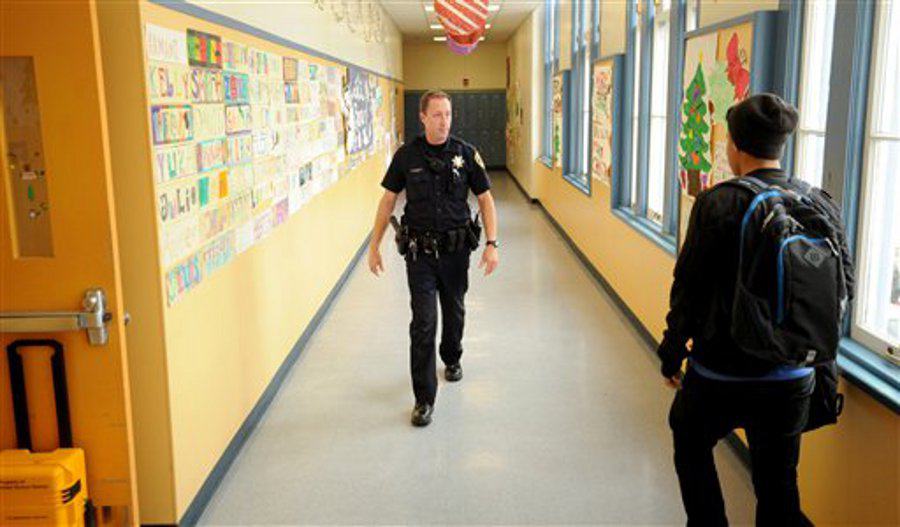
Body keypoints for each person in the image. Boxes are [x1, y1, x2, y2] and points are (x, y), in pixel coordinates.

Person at [658, 93, 853, 526]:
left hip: (720, 373)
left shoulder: (719, 202)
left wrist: (671, 353)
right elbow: (845, 286)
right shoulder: (820, 202)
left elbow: (688, 289)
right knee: (778, 481)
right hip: (793, 378)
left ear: (734, 145)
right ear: (780, 143)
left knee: (690, 442)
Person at [368, 90, 499, 427]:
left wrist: (492, 243)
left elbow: (486, 200)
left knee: (454, 312)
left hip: (456, 254)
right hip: (420, 256)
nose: (444, 121)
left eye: (448, 114)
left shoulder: (466, 154)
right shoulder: (406, 156)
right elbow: (387, 202)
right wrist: (374, 246)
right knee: (423, 323)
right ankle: (424, 398)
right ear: (423, 117)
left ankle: (452, 357)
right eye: (437, 115)